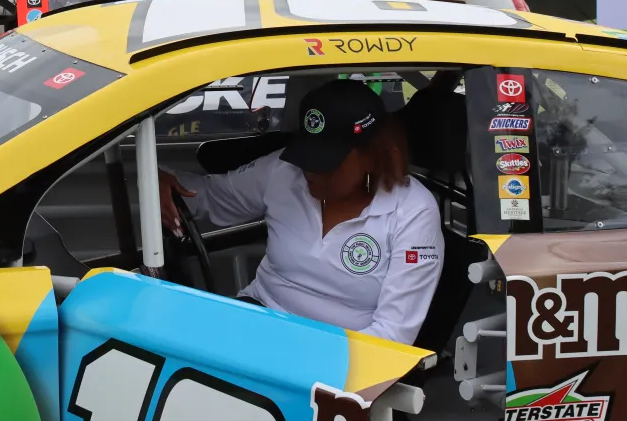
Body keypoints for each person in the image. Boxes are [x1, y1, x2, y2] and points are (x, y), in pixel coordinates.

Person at [159, 79, 443, 344]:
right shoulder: (283, 172)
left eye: (326, 161)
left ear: (372, 155)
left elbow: (392, 334)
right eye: (306, 154)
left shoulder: (414, 212)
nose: (310, 170)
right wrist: (158, 179)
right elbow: (206, 197)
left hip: (343, 350)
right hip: (259, 317)